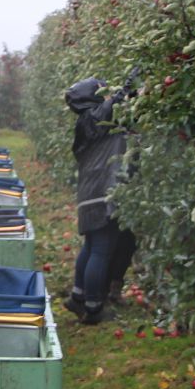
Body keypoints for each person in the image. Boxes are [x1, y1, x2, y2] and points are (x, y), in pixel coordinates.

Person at [61, 74, 136, 324]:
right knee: (102, 249)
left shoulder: (88, 122)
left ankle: (78, 297)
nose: (105, 95)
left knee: (92, 246)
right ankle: (94, 309)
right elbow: (114, 103)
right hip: (103, 191)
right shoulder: (94, 117)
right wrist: (129, 83)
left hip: (91, 191)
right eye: (99, 93)